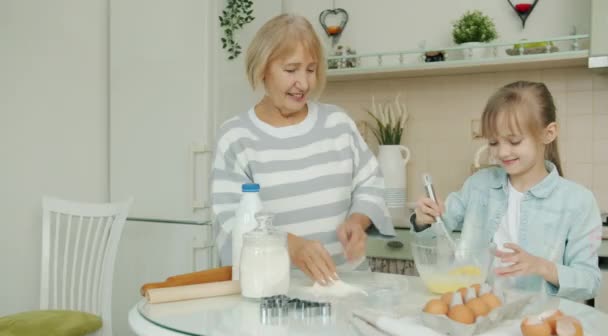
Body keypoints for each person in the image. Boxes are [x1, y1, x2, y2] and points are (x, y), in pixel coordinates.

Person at [211, 14, 395, 285]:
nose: (304, 83)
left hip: (346, 287)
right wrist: (291, 246)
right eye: (291, 70)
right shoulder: (236, 137)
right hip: (275, 294)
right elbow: (232, 223)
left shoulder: (338, 124)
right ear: (262, 69)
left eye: (310, 69)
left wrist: (358, 221)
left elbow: (371, 183)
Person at [412, 81, 602, 301]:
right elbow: (438, 232)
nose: (502, 152)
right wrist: (423, 219)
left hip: (535, 321)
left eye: (514, 141)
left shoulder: (577, 201)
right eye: (493, 142)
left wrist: (541, 266)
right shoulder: (478, 185)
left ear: (548, 133)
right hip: (476, 310)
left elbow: (590, 282)